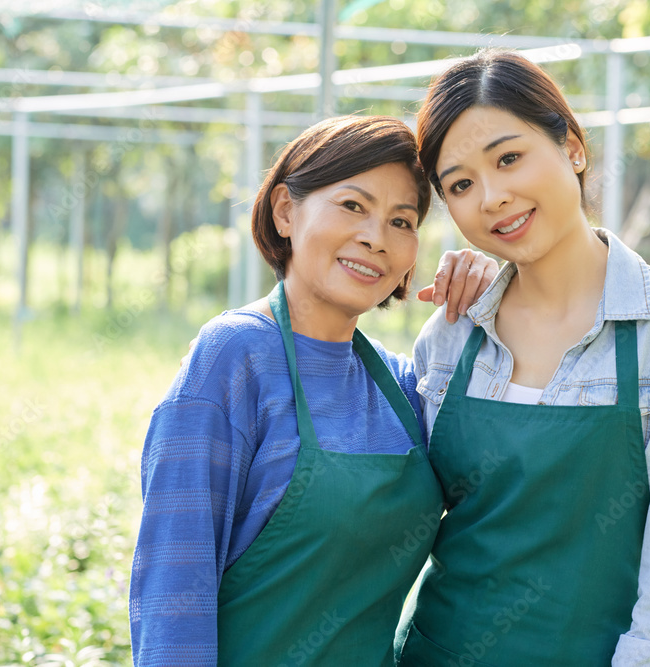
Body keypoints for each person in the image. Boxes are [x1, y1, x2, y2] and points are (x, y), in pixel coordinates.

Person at [394, 49, 650, 665]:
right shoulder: (449, 336)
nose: (493, 197)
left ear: (573, 148)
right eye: (461, 185)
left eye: (509, 158)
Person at [129, 115, 497, 666]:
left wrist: (495, 299)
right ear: (285, 211)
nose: (376, 237)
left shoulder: (401, 388)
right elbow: (174, 588)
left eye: (402, 220)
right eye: (353, 206)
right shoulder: (234, 358)